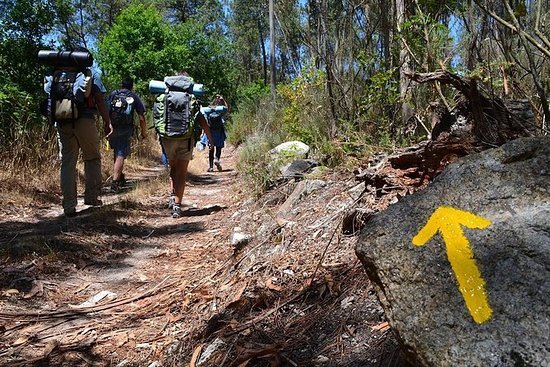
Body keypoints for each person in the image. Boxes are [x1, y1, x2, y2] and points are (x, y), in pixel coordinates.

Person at [45, 49, 112, 217]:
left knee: (67, 164)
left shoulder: (55, 74)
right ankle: (92, 197)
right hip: (85, 120)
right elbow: (98, 98)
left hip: (62, 120)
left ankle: (68, 205)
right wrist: (107, 121)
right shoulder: (90, 73)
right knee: (92, 158)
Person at [157, 72, 213, 218]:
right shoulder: (191, 98)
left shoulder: (164, 97)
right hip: (185, 138)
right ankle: (177, 205)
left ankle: (172, 195)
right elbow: (201, 120)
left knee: (173, 167)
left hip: (167, 138)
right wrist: (210, 139)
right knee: (181, 172)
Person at [106, 77, 147, 192]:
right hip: (126, 128)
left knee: (117, 151)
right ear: (132, 86)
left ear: (121, 84)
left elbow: (105, 109)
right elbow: (141, 117)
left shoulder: (113, 94)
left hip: (112, 127)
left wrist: (107, 125)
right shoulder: (133, 96)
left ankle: (120, 176)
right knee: (120, 153)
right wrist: (144, 132)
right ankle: (115, 182)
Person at [201, 93, 229, 172]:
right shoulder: (220, 110)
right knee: (219, 147)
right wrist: (223, 100)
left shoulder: (209, 110)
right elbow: (227, 108)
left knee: (211, 149)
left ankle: (211, 167)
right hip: (219, 131)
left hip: (210, 132)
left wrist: (203, 133)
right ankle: (217, 159)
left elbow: (205, 121)